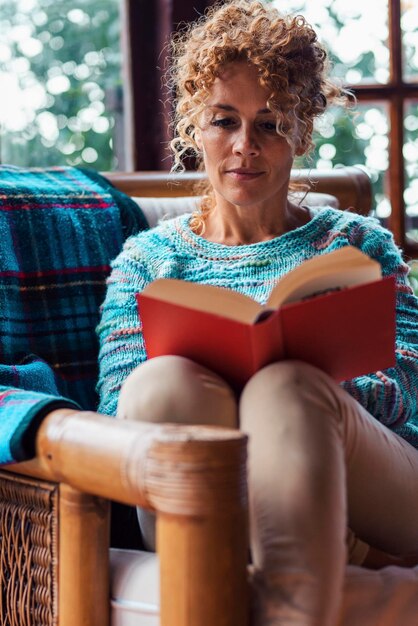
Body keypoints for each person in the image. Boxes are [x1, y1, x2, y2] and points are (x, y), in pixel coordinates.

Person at [96, 1, 418, 624]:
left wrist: (307, 381)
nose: (245, 147)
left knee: (286, 388)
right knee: (160, 382)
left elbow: (410, 385)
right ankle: (293, 562)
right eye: (224, 121)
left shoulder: (355, 243)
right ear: (195, 126)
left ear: (301, 131)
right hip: (213, 482)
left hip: (377, 475)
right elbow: (117, 414)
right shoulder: (147, 260)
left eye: (270, 123)